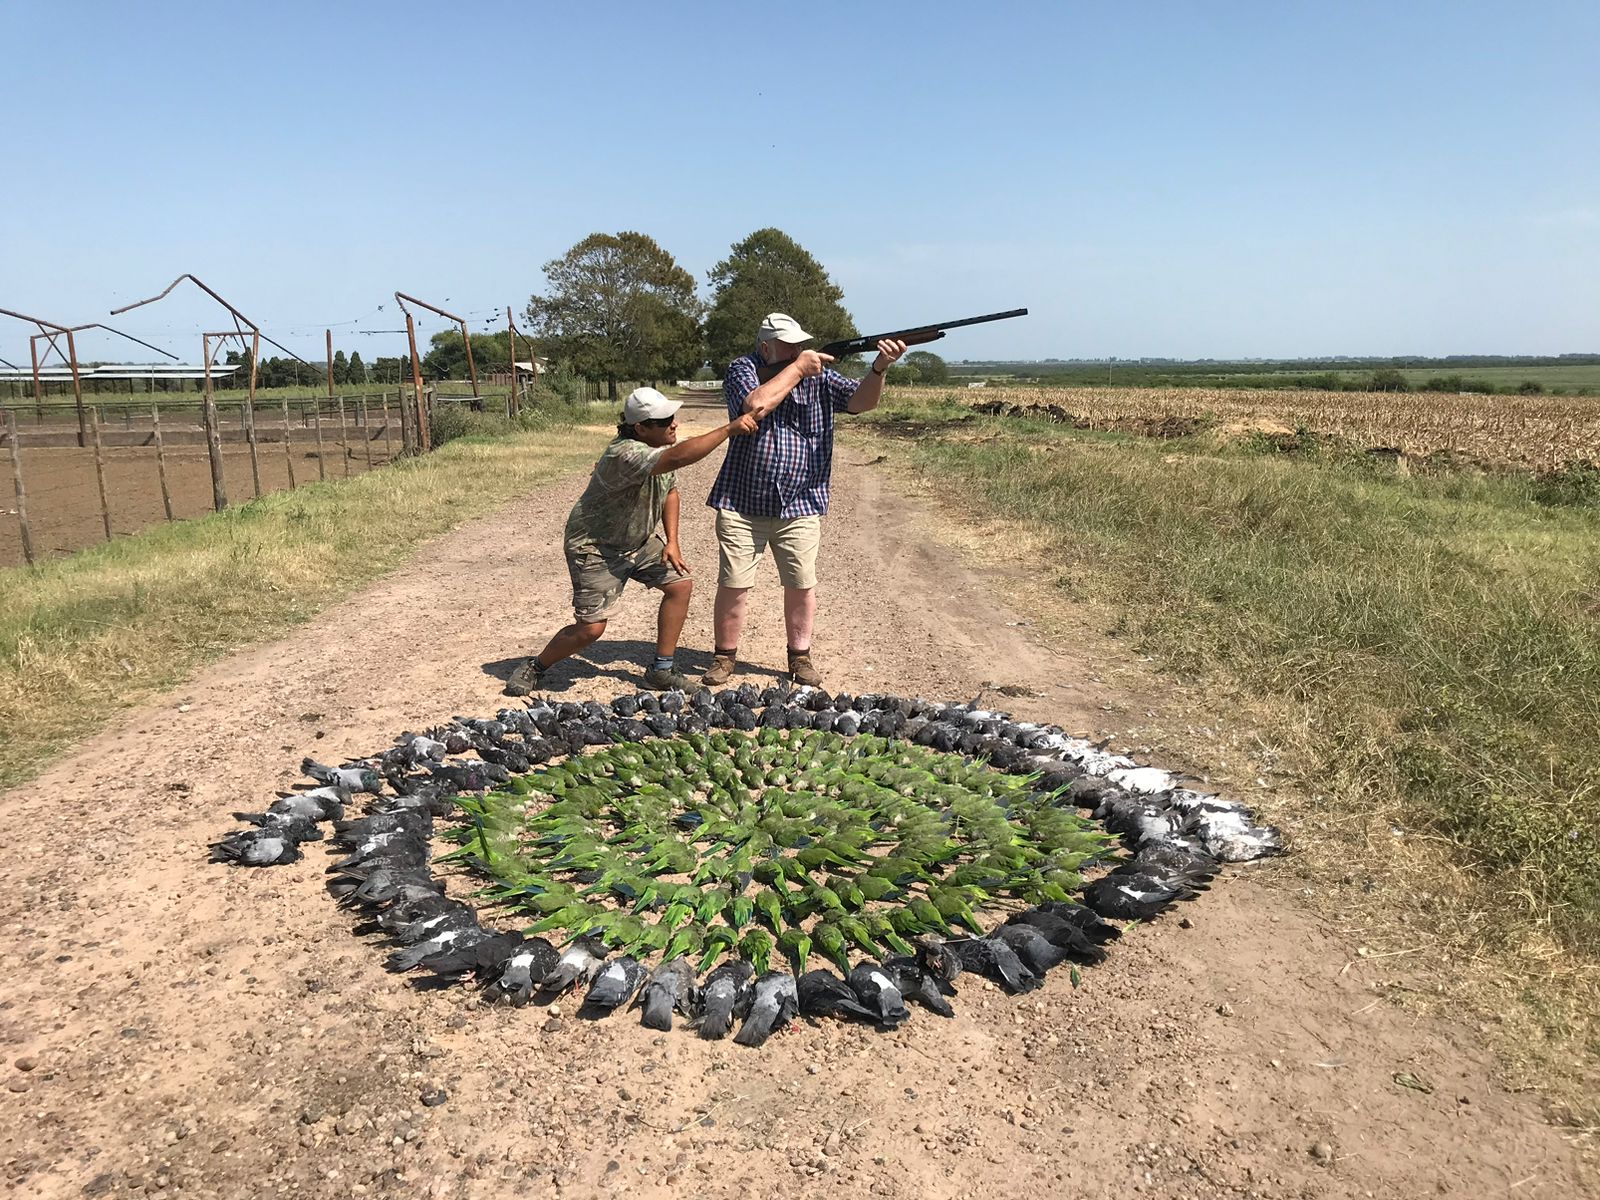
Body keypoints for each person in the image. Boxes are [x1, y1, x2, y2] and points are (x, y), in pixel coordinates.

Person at [505, 387, 758, 696]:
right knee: (590, 629)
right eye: (664, 420)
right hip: (596, 547)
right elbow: (681, 456)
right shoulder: (625, 453)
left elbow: (671, 492)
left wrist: (672, 541)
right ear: (640, 428)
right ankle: (536, 666)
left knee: (680, 584)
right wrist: (730, 429)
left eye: (672, 417)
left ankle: (661, 671)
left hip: (637, 542)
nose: (674, 424)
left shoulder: (657, 451)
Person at [703, 313, 906, 688]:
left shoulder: (819, 376)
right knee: (734, 584)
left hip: (802, 501)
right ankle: (724, 657)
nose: (798, 349)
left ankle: (800, 658)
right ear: (766, 347)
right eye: (789, 345)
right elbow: (756, 405)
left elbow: (861, 403)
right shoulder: (742, 369)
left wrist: (879, 369)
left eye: (800, 344)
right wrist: (797, 368)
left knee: (800, 583)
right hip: (742, 499)